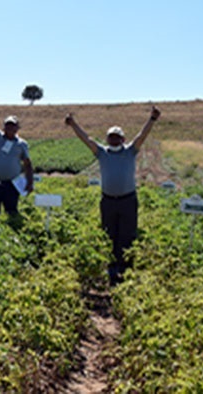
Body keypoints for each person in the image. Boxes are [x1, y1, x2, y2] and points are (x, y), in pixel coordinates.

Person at [65, 106, 161, 285]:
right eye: (111, 136)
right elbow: (86, 139)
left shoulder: (130, 151)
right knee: (109, 233)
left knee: (127, 234)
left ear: (123, 139)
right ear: (107, 138)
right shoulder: (101, 152)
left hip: (127, 200)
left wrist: (152, 119)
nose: (114, 139)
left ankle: (125, 268)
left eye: (117, 137)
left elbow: (142, 136)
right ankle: (111, 267)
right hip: (108, 201)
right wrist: (73, 124)